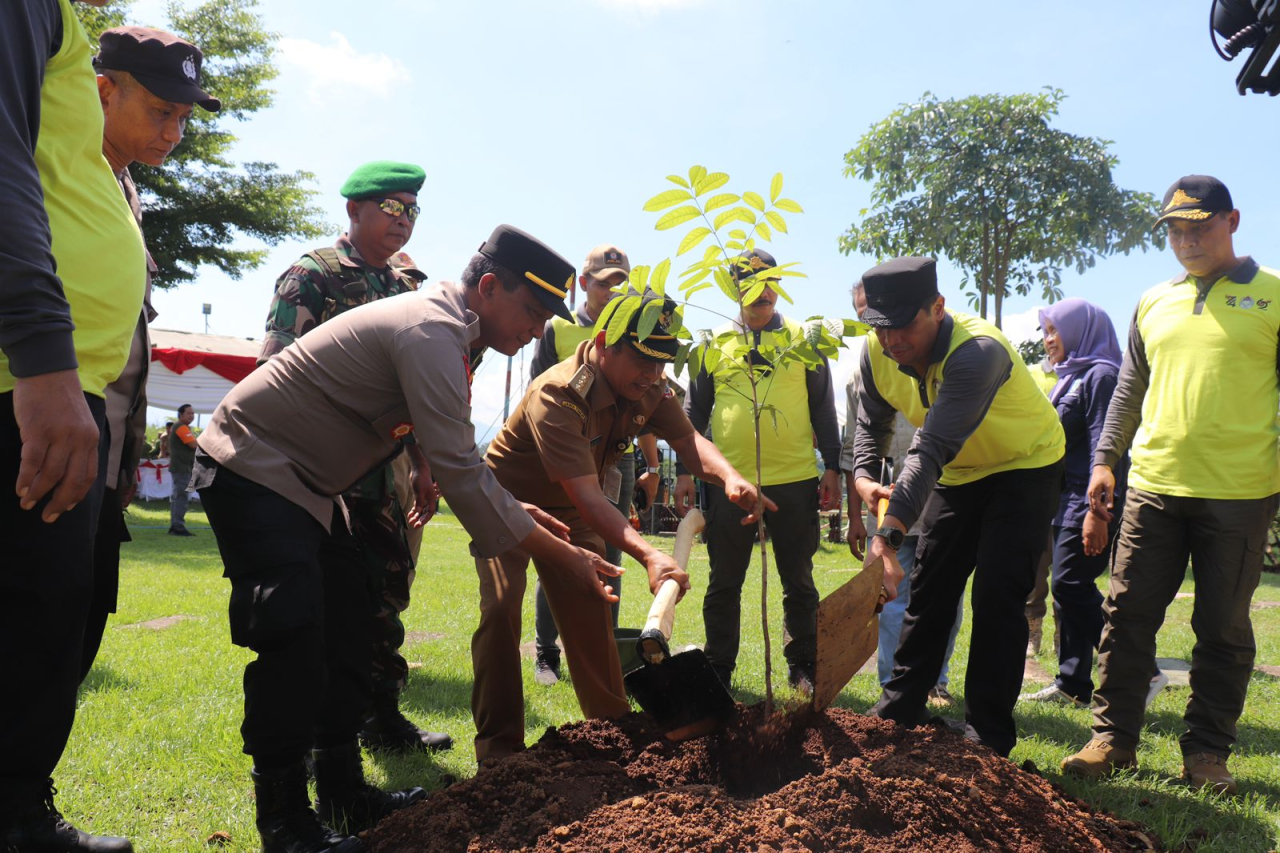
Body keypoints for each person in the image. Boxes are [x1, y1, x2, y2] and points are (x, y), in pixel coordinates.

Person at [194, 224, 617, 852]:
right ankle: (284, 821)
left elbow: (456, 462)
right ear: (491, 287)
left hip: (311, 486)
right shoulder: (432, 330)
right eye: (531, 311)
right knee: (293, 630)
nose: (536, 330)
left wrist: (517, 509)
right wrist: (567, 557)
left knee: (349, 627)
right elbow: (462, 472)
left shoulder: (453, 332)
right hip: (253, 464)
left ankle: (342, 789)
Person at [477, 292, 772, 761]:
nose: (653, 375)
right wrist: (650, 554)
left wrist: (730, 476)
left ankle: (611, 734)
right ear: (603, 344)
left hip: (574, 509)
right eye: (642, 361)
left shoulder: (650, 384)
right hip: (509, 503)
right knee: (501, 610)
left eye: (662, 362)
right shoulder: (559, 393)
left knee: (594, 601)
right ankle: (500, 751)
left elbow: (688, 439)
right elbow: (591, 497)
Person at [1062, 176, 1280, 795]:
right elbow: (1129, 388)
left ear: (1233, 221)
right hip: (1154, 487)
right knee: (1127, 615)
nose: (1186, 241)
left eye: (1200, 226)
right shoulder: (1154, 299)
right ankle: (1113, 739)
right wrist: (1105, 461)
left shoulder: (1273, 295)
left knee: (1223, 627)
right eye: (1176, 231)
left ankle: (1207, 751)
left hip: (1240, 493)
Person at [1, 0, 147, 849]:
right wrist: (43, 355)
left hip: (53, 379)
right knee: (31, 613)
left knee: (50, 614)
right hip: (31, 379)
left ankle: (17, 810)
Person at [257, 160, 451, 754]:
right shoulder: (311, 277)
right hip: (321, 473)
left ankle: (381, 715)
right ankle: (323, 736)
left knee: (385, 596)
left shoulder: (403, 289)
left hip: (383, 477)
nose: (403, 220)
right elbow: (275, 374)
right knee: (323, 606)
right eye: (391, 207)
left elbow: (412, 390)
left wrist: (421, 463)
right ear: (354, 210)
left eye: (412, 210)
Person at [851, 256, 1065, 758]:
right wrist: (863, 477)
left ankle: (987, 737)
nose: (892, 340)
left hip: (1024, 466)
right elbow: (871, 423)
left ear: (938, 307)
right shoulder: (876, 350)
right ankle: (899, 713)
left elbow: (930, 448)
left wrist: (887, 537)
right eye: (880, 328)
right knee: (931, 588)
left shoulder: (978, 352)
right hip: (959, 472)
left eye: (904, 324)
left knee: (997, 594)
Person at [81, 25, 220, 675]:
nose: (175, 131)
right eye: (162, 111)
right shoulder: (58, 172)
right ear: (104, 92)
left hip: (104, 464)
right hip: (48, 442)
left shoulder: (128, 188)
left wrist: (130, 452)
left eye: (184, 117)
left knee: (74, 638)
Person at [674, 249, 842, 692]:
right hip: (730, 485)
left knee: (799, 582)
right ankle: (719, 670)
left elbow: (824, 408)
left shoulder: (805, 341)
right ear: (733, 289)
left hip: (797, 481)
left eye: (769, 281)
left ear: (778, 285)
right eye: (749, 282)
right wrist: (687, 471)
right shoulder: (712, 344)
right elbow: (694, 412)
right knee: (724, 582)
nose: (761, 291)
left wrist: (834, 468)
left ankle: (803, 665)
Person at [527, 243, 661, 686]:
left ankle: (606, 647)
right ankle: (548, 651)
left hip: (615, 462)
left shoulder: (638, 332)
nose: (614, 292)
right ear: (585, 285)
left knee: (611, 552)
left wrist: (653, 465)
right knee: (562, 548)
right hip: (564, 460)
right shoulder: (557, 331)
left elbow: (642, 400)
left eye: (622, 284)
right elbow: (537, 396)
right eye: (606, 284)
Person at [842, 283, 961, 708]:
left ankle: (936, 681)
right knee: (891, 595)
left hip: (946, 494)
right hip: (892, 503)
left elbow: (936, 446)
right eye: (870, 320)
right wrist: (860, 507)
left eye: (889, 320)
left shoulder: (949, 354)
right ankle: (894, 683)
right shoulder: (868, 364)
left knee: (941, 594)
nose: (884, 333)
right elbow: (861, 440)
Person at [1017, 299, 1127, 707]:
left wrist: (1098, 513)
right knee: (1067, 590)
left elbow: (1106, 445)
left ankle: (1136, 663)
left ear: (1080, 331)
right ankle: (1073, 685)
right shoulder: (1070, 377)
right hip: (1063, 501)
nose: (1047, 341)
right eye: (1045, 332)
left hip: (1089, 500)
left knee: (1069, 583)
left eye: (1054, 331)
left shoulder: (1102, 376)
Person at [166, 403, 198, 535]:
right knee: (181, 497)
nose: (192, 416)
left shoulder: (179, 427)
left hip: (181, 467)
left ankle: (176, 525)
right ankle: (178, 526)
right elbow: (193, 444)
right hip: (182, 468)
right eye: (188, 413)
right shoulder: (181, 427)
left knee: (178, 496)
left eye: (192, 413)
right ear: (181, 415)